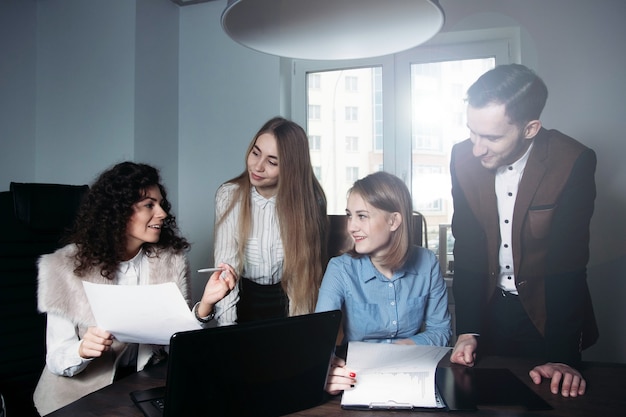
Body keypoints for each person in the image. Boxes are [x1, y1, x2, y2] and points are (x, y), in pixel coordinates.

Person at [33, 162, 236, 415]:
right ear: (118, 212)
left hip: (140, 386)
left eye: (161, 204)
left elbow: (177, 340)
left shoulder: (170, 260)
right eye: (149, 205)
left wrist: (206, 304)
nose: (162, 213)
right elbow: (56, 360)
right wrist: (82, 350)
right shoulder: (63, 267)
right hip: (77, 398)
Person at [449, 64, 598, 398]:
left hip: (548, 314)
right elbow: (468, 246)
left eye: (491, 137)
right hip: (488, 307)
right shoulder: (461, 157)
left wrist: (561, 356)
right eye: (472, 132)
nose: (477, 148)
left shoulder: (573, 160)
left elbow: (568, 264)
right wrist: (468, 330)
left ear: (531, 128)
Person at [315, 171, 451, 395]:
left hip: (414, 373)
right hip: (356, 376)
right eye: (350, 215)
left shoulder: (427, 263)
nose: (351, 227)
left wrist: (393, 351)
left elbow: (441, 330)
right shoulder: (340, 268)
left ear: (394, 221)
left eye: (362, 216)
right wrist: (329, 369)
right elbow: (320, 339)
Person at [213, 117, 328, 325]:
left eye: (272, 162)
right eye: (255, 153)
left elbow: (303, 278)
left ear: (291, 168)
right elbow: (226, 270)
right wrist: (227, 333)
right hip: (242, 304)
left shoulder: (311, 202)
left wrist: (299, 335)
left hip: (289, 305)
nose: (258, 166)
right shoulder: (229, 196)